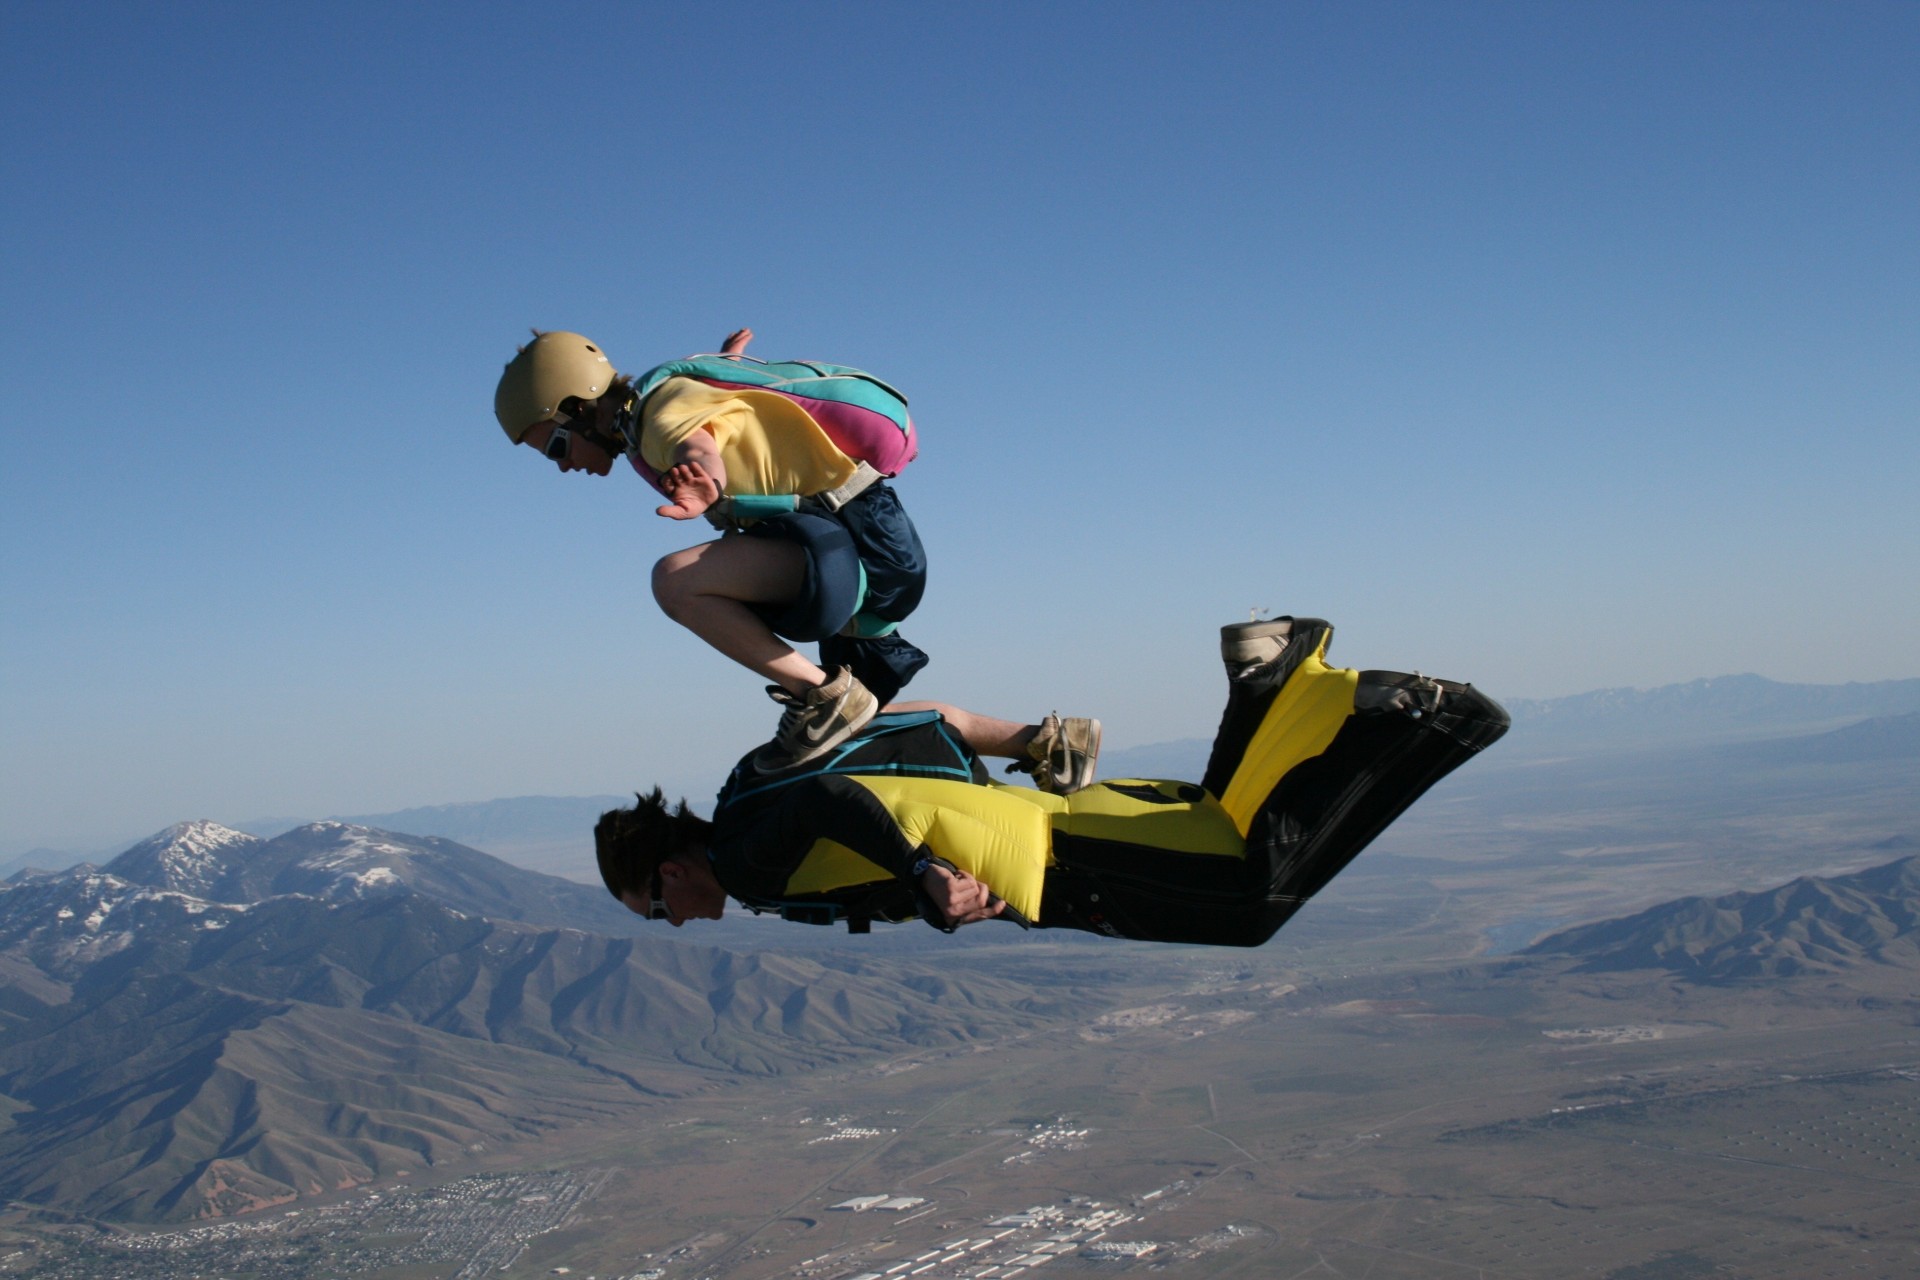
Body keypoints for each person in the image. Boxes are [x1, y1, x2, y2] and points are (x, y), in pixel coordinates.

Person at [594, 617, 1509, 945]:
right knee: (1216, 825)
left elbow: (829, 801)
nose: (672, 922)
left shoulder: (748, 858)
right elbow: (900, 738)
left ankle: (1413, 718)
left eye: (654, 908)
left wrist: (921, 876)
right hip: (1023, 819)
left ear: (668, 871)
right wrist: (1022, 744)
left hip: (1038, 857)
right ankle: (1273, 674)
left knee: (1249, 898)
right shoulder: (744, 788)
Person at [494, 327, 930, 764]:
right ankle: (999, 738)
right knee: (870, 730)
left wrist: (707, 484)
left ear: (578, 408)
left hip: (854, 546)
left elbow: (698, 446)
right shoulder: (668, 398)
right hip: (873, 541)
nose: (564, 466)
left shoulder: (659, 419)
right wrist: (729, 358)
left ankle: (826, 697)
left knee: (676, 580)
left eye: (555, 447)